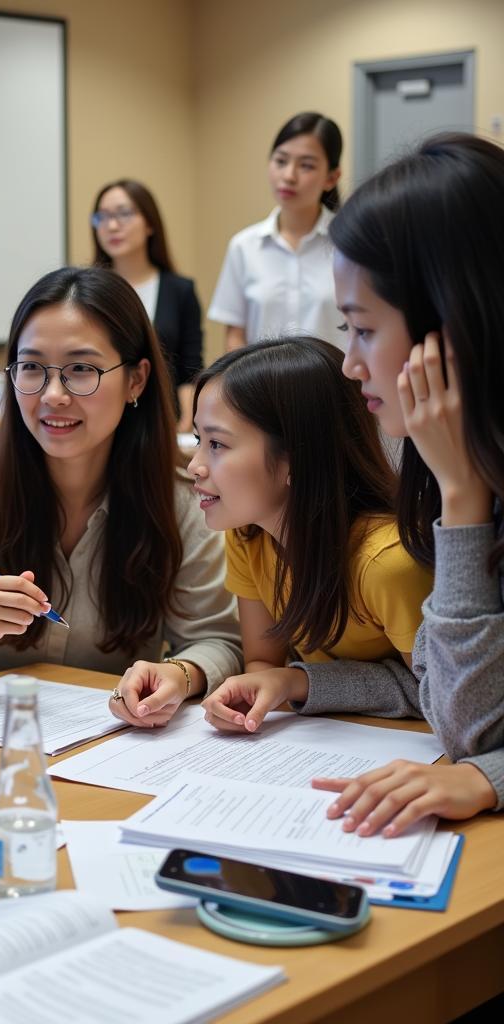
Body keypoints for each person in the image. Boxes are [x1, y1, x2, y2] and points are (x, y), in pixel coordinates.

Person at [0, 266, 241, 726]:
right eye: (31, 368)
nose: (52, 395)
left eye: (81, 370)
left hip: (108, 746)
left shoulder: (181, 500)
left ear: (136, 380)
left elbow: (219, 641)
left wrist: (178, 673)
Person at [309, 133, 504, 837]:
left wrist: (464, 498)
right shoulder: (437, 465)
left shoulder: (459, 477)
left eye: (363, 330)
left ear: (449, 331)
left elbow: (472, 739)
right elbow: (448, 705)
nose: (350, 366)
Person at [191, 338, 432, 735]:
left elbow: (434, 695)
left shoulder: (387, 562)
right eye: (199, 439)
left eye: (216, 443)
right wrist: (268, 685)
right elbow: (263, 665)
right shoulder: (248, 535)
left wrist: (297, 681)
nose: (195, 465)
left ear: (296, 458)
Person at [208, 112, 343, 351]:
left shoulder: (349, 243)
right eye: (281, 161)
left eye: (306, 166)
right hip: (261, 386)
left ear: (331, 178)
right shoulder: (244, 246)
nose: (289, 176)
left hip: (336, 385)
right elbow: (235, 336)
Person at [91, 178, 203, 431]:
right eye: (102, 217)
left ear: (150, 223)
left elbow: (190, 367)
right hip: (102, 418)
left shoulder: (180, 290)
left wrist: (189, 419)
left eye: (124, 214)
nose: (112, 226)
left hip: (165, 421)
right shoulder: (90, 291)